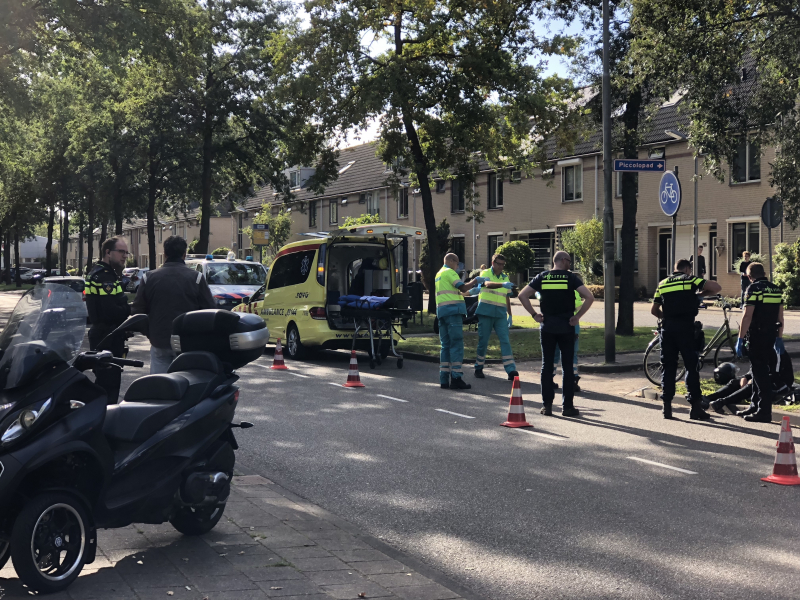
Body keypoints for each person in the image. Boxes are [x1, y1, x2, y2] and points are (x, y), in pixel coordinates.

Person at [518, 251, 594, 417]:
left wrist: (534, 314)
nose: (570, 264)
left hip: (547, 327)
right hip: (566, 327)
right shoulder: (570, 278)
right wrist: (577, 316)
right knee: (567, 368)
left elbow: (522, 295)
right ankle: (567, 407)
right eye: (569, 261)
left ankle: (547, 406)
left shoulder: (542, 277)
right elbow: (589, 297)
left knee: (547, 366)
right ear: (563, 261)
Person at [133, 236, 216, 374]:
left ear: (165, 254)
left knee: (160, 386)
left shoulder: (149, 278)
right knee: (186, 385)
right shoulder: (196, 278)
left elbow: (137, 311)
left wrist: (151, 333)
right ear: (184, 254)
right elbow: (210, 312)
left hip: (159, 341)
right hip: (188, 343)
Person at [651, 258, 721, 420]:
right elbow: (716, 288)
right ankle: (695, 408)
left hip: (667, 330)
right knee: (691, 366)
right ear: (688, 269)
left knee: (668, 367)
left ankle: (667, 407)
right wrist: (699, 294)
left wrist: (667, 318)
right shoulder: (690, 280)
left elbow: (654, 310)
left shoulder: (662, 283)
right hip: (686, 329)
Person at [735, 262, 784, 422]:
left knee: (760, 372)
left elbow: (747, 316)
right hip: (770, 334)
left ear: (750, 277)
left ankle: (764, 411)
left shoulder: (753, 289)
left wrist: (740, 339)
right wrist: (779, 337)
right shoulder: (776, 289)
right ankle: (754, 405)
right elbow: (780, 317)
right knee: (757, 369)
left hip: (757, 334)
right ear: (764, 273)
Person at [85, 237, 131, 403]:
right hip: (107, 336)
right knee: (109, 386)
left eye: (126, 252)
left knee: (104, 382)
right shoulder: (105, 277)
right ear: (107, 252)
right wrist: (129, 309)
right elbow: (111, 311)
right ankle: (105, 422)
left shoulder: (99, 272)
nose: (125, 256)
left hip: (103, 334)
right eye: (121, 252)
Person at [436, 253, 486, 390]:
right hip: (453, 313)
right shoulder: (450, 272)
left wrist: (472, 291)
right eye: (457, 264)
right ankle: (456, 378)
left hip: (442, 313)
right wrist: (475, 281)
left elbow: (456, 292)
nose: (458, 267)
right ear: (451, 261)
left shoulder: (439, 274)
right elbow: (462, 287)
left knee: (445, 346)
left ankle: (444, 379)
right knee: (456, 344)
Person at [473, 253, 518, 380]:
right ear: (493, 263)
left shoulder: (505, 277)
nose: (501, 267)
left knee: (505, 341)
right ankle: (479, 367)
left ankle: (511, 370)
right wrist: (503, 284)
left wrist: (510, 314)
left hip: (500, 314)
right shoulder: (485, 273)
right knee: (483, 341)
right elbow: (487, 284)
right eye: (499, 264)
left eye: (503, 264)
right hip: (486, 312)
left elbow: (507, 296)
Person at [552, 290, 583, 392]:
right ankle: (573, 379)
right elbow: (579, 305)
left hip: (553, 323)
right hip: (571, 322)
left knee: (553, 353)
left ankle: (549, 378)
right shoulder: (573, 287)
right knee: (571, 353)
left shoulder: (548, 283)